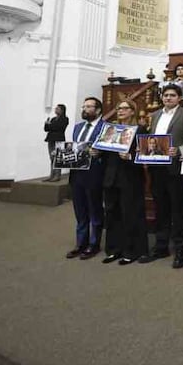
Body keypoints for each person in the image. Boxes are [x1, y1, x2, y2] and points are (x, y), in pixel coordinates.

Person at [142, 84, 183, 268]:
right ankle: (160, 246)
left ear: (179, 98)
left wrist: (179, 150)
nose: (168, 98)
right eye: (165, 95)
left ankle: (181, 250)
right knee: (161, 208)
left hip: (175, 168)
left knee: (178, 209)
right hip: (156, 169)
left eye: (172, 95)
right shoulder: (155, 115)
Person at [100, 100, 148, 266]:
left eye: (124, 108)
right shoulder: (111, 129)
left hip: (130, 177)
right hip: (111, 177)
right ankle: (113, 250)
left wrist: (131, 158)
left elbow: (146, 155)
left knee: (130, 214)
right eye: (118, 108)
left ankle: (132, 251)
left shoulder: (140, 130)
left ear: (132, 111)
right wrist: (96, 151)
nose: (120, 111)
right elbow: (105, 154)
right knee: (112, 214)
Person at [65, 97, 105, 261]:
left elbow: (110, 149)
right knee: (80, 211)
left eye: (89, 106)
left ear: (98, 110)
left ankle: (94, 244)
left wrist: (100, 153)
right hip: (77, 174)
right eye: (84, 106)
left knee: (94, 210)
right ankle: (80, 243)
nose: (85, 109)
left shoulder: (105, 128)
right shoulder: (77, 127)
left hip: (95, 173)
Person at [43, 104, 69, 182]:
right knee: (51, 158)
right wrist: (46, 123)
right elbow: (46, 129)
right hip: (50, 139)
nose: (55, 110)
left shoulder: (65, 119)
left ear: (62, 110)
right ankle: (51, 175)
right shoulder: (53, 119)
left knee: (57, 157)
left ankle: (57, 175)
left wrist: (50, 126)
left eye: (57, 109)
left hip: (59, 139)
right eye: (55, 109)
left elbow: (59, 128)